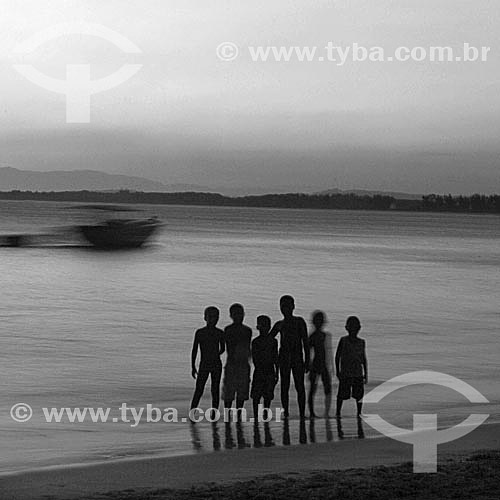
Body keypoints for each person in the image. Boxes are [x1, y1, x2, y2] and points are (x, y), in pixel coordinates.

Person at [270, 295, 310, 419]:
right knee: (284, 386)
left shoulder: (299, 322)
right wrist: (273, 357)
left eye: (287, 306)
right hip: (284, 358)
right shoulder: (279, 324)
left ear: (293, 307)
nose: (285, 308)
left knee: (300, 386)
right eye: (283, 306)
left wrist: (307, 360)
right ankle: (286, 412)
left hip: (297, 357)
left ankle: (302, 413)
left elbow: (305, 341)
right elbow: (269, 340)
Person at [190, 306, 225, 412]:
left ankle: (213, 414)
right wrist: (193, 366)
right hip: (205, 364)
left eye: (215, 317)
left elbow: (223, 348)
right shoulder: (200, 332)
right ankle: (193, 412)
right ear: (205, 318)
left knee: (214, 390)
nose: (213, 319)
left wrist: (214, 354)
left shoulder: (219, 333)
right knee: (199, 389)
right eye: (210, 317)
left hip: (214, 364)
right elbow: (194, 350)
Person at [222, 303, 252, 415]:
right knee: (229, 393)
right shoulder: (229, 330)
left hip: (242, 363)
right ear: (231, 315)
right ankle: (228, 416)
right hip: (233, 363)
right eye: (235, 314)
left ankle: (237, 416)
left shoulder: (246, 331)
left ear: (243, 315)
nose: (238, 316)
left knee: (241, 393)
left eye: (240, 314)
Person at [335, 316, 368, 418]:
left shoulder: (361, 342)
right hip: (346, 373)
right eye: (351, 328)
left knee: (359, 395)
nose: (353, 330)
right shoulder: (343, 340)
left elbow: (363, 358)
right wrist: (338, 371)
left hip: (357, 372)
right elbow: (337, 356)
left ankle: (359, 413)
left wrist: (366, 373)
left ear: (359, 328)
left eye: (355, 328)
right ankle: (338, 412)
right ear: (347, 328)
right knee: (341, 395)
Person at [251, 315, 279, 419]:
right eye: (262, 325)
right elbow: (255, 359)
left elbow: (276, 357)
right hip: (260, 371)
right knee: (256, 396)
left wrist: (277, 372)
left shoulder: (273, 341)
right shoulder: (255, 342)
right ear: (258, 327)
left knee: (267, 396)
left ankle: (265, 416)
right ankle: (256, 416)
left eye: (266, 325)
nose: (264, 328)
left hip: (269, 371)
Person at [307, 310, 333, 418]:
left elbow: (329, 351)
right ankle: (312, 412)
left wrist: (331, 366)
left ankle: (326, 412)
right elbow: (308, 352)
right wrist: (308, 365)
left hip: (323, 364)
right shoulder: (312, 336)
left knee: (327, 388)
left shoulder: (325, 335)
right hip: (316, 364)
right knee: (313, 388)